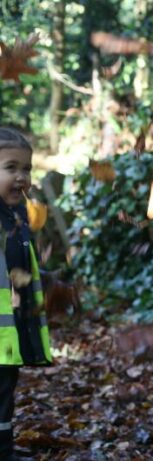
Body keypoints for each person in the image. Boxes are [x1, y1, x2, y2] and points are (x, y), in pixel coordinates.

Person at [0, 128, 52, 461]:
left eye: (27, 169)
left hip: (9, 331)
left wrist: (47, 281)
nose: (22, 177)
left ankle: (3, 451)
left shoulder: (18, 215)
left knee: (5, 391)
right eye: (11, 168)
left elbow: (20, 264)